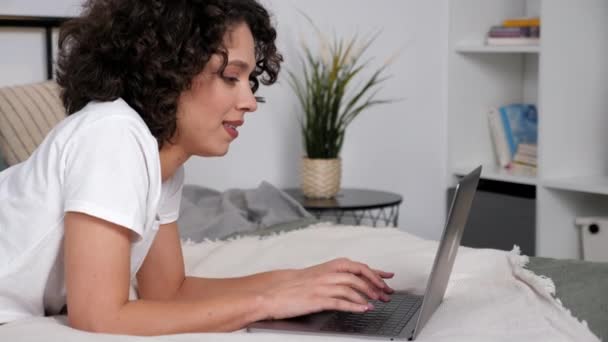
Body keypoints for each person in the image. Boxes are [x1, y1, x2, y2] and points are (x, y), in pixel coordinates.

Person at [0, 0, 394, 335]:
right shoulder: (112, 134)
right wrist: (267, 302)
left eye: (249, 79)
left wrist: (303, 280)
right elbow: (99, 316)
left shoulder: (160, 160)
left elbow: (170, 292)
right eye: (229, 77)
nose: (250, 102)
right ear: (168, 70)